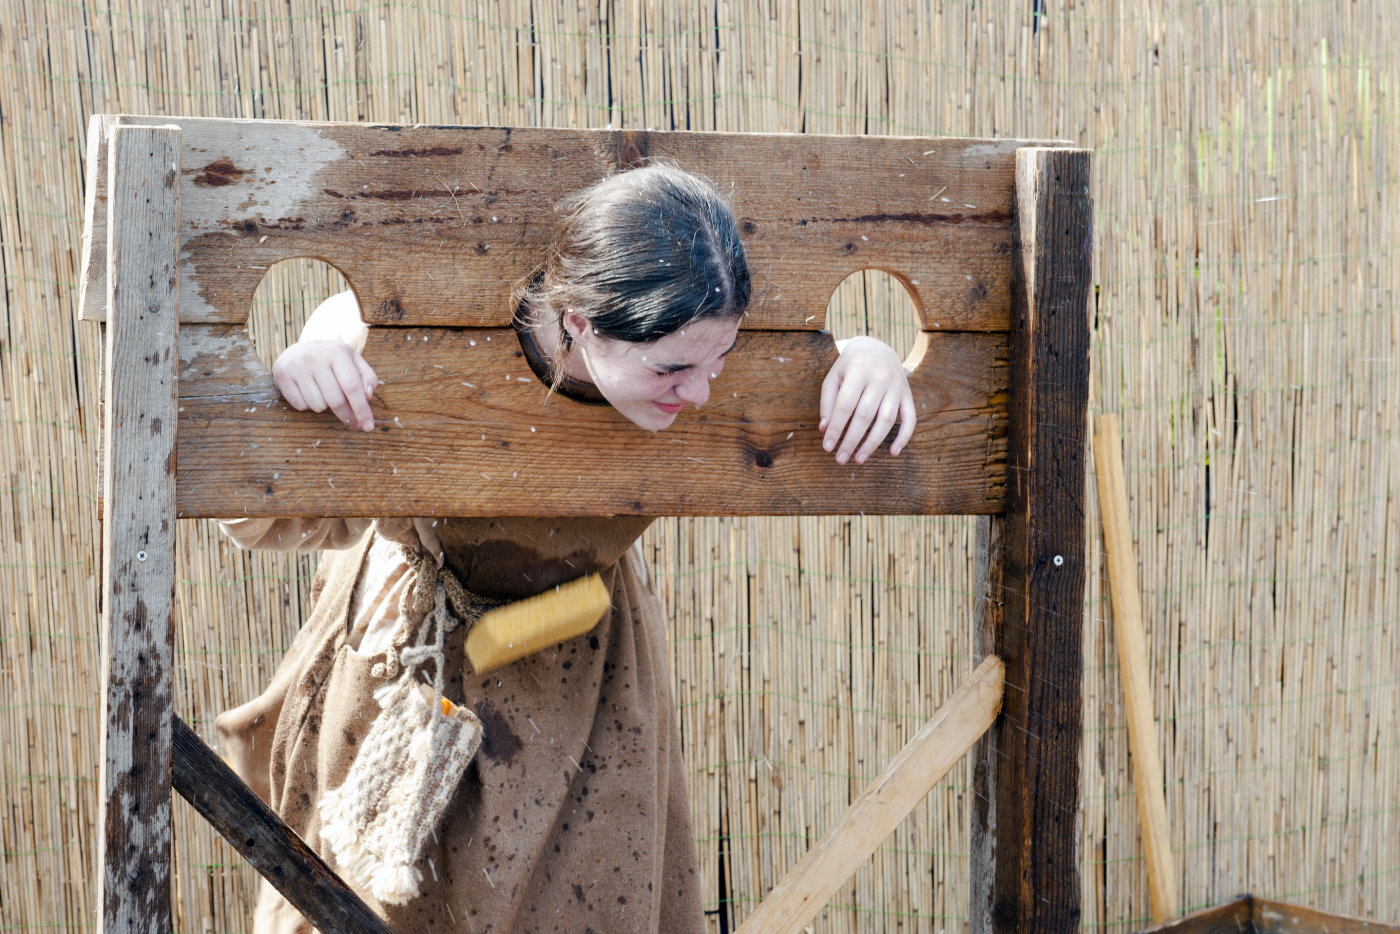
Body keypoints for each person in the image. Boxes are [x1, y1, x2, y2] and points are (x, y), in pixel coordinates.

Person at [215, 163, 915, 933]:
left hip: (590, 676)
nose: (704, 393)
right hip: (410, 663)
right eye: (673, 368)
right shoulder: (410, 322)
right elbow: (263, 513)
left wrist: (871, 357)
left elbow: (802, 357)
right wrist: (314, 356)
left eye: (721, 360)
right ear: (577, 322)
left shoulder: (703, 342)